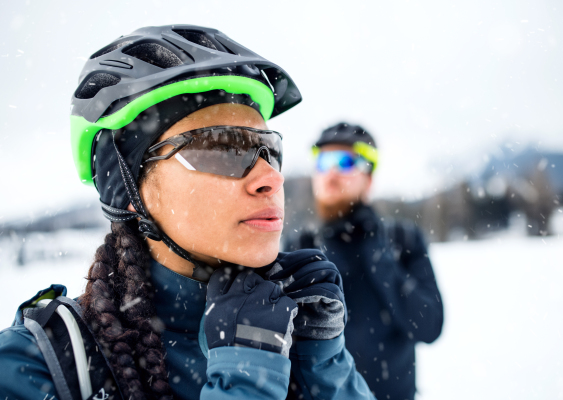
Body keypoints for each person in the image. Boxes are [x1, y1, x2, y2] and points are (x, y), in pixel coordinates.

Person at [0, 25, 374, 400]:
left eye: (268, 150)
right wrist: (247, 381)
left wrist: (323, 362)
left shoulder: (291, 327)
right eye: (221, 148)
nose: (271, 178)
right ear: (130, 188)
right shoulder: (36, 364)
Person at [284, 122, 444, 400]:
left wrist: (377, 254)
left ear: (368, 178)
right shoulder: (301, 247)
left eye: (345, 161)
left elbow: (429, 325)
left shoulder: (401, 239)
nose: (331, 172)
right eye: (322, 161)